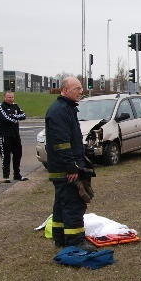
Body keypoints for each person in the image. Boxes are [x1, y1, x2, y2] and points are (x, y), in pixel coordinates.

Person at [45, 77, 96, 250]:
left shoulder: (65, 109)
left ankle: (60, 238)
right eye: (77, 88)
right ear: (65, 90)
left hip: (62, 168)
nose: (81, 91)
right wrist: (71, 167)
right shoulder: (60, 111)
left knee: (61, 204)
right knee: (74, 204)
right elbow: (61, 143)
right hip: (65, 169)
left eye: (81, 88)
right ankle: (76, 242)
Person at [0, 91, 28, 182]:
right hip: (5, 135)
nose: (10, 99)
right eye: (9, 97)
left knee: (18, 154)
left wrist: (13, 115)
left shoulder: (16, 106)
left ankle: (17, 174)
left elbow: (23, 115)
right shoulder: (1, 107)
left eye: (12, 97)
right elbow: (6, 118)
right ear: (5, 97)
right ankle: (6, 176)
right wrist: (15, 118)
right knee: (6, 156)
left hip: (15, 135)